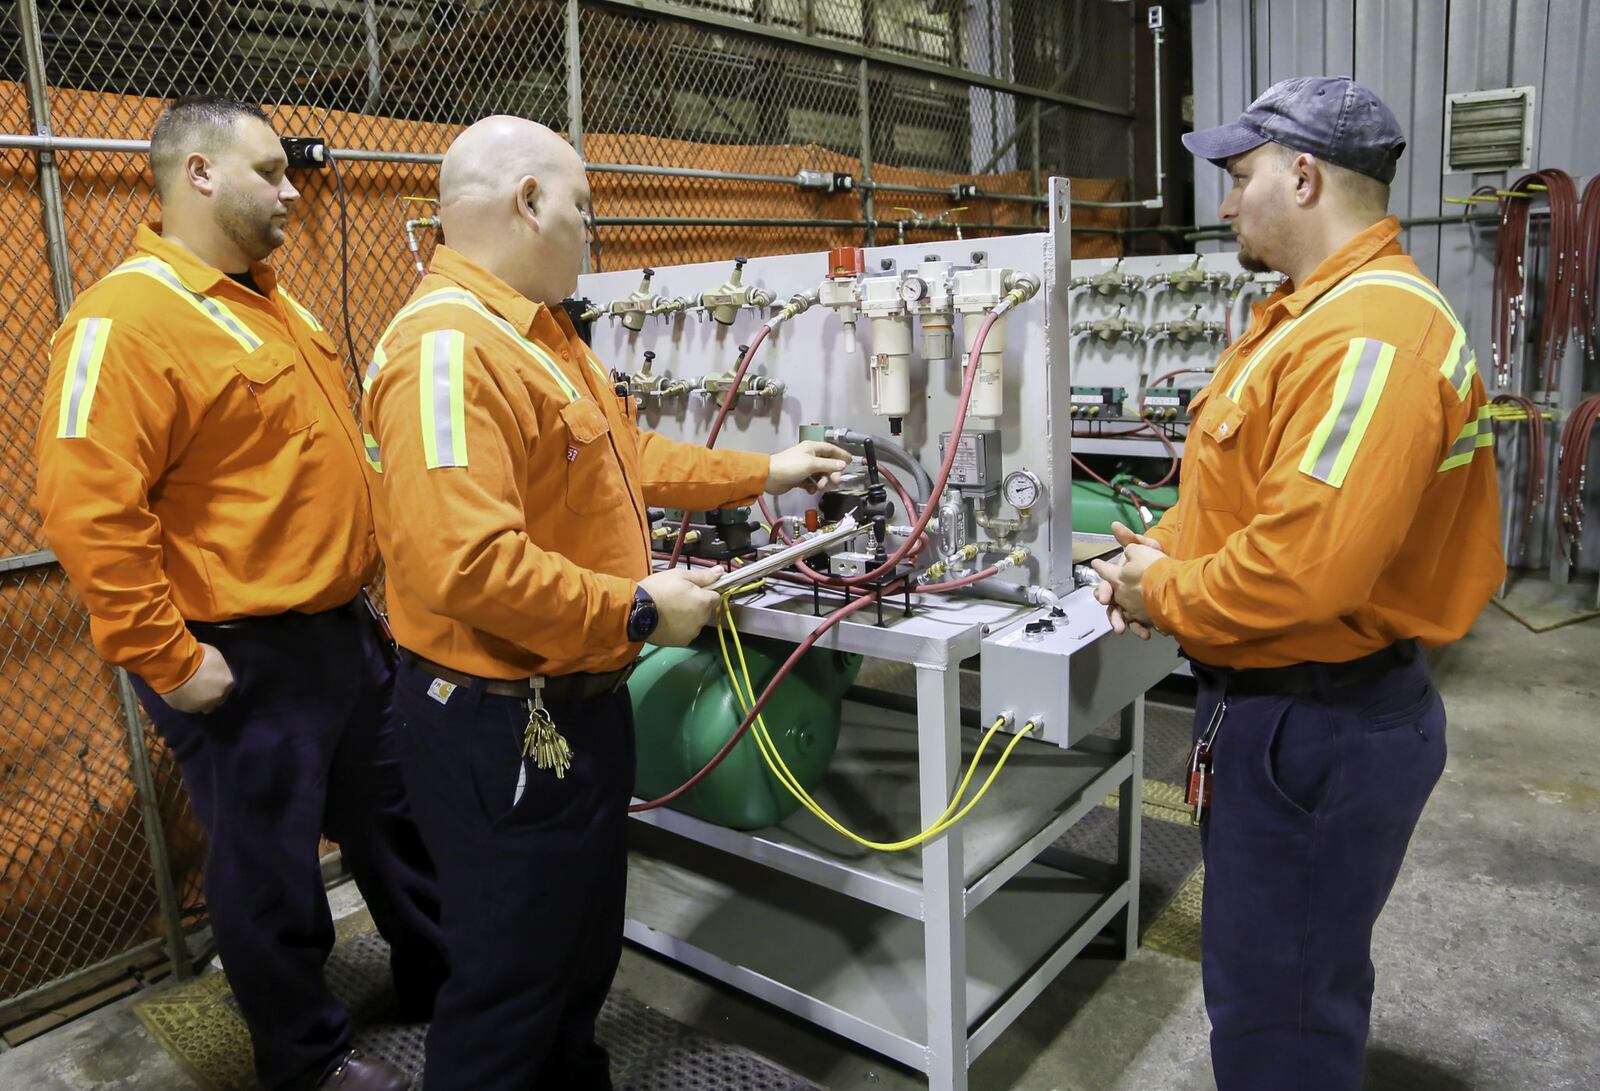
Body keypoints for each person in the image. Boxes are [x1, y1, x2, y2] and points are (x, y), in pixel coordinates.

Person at [359, 114, 853, 1091]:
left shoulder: (538, 337)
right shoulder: (450, 353)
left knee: (575, 956)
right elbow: (465, 563)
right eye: (583, 205)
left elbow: (629, 463)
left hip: (572, 710)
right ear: (529, 200)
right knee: (508, 981)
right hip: (501, 723)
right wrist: (636, 609)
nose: (592, 228)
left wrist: (764, 470)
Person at [1092, 76, 1505, 1091]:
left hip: (1318, 724)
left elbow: (1297, 569)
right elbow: (1247, 499)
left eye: (1239, 178)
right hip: (1279, 712)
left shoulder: (1371, 334)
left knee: (1279, 1008)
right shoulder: (1300, 319)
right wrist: (1159, 555)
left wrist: (1163, 595)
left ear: (1304, 174)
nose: (1226, 203)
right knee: (1280, 974)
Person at [34, 95, 444, 1091]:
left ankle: (444, 979)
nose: (291, 189)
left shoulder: (273, 300)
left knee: (398, 820)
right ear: (199, 174)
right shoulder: (120, 321)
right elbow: (86, 512)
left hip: (342, 635)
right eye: (268, 170)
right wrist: (171, 661)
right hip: (239, 653)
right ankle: (307, 1058)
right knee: (270, 871)